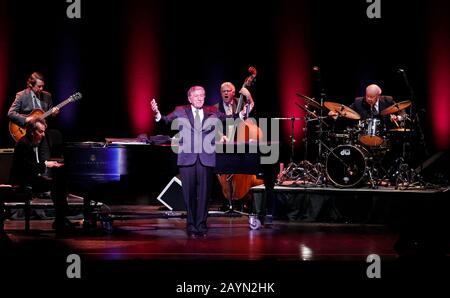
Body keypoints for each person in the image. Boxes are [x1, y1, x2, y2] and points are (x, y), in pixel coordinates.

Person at [151, 86, 249, 237]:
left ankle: (201, 224)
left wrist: (241, 114)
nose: (199, 98)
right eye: (196, 96)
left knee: (204, 194)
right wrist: (157, 114)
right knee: (188, 194)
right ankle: (191, 224)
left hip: (206, 158)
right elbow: (165, 120)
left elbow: (228, 119)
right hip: (187, 159)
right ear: (189, 98)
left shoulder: (211, 111)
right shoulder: (181, 110)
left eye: (202, 95)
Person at [9, 119, 74, 232]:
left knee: (59, 182)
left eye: (44, 131)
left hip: (30, 178)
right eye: (41, 132)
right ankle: (61, 219)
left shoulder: (31, 143)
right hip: (22, 181)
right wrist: (46, 165)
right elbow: (27, 168)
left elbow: (32, 167)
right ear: (32, 132)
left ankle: (61, 218)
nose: (43, 135)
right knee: (57, 184)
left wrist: (45, 167)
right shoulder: (23, 144)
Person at [8, 72, 59, 157]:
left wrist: (53, 114)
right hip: (27, 134)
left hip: (42, 135)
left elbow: (48, 117)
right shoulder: (21, 95)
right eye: (39, 86)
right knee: (28, 161)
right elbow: (11, 113)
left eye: (43, 86)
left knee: (46, 160)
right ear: (31, 85)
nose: (41, 88)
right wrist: (26, 119)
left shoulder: (47, 96)